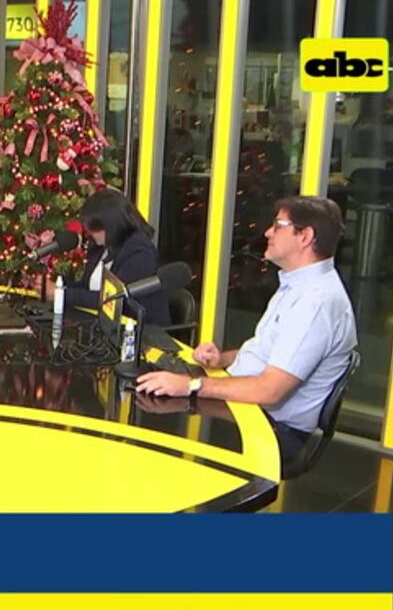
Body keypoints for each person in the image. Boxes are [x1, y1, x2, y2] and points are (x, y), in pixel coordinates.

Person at [136, 196, 357, 440]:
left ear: (305, 236)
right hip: (248, 406)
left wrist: (189, 385)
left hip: (270, 430)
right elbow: (267, 353)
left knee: (149, 430)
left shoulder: (316, 303)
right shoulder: (297, 285)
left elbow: (270, 391)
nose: (268, 232)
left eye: (278, 226)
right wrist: (221, 359)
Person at [52, 188, 171, 325]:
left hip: (140, 330)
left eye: (94, 228)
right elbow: (88, 288)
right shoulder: (100, 247)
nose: (90, 233)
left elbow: (114, 300)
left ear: (110, 225)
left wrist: (61, 294)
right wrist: (59, 285)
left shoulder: (140, 252)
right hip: (103, 326)